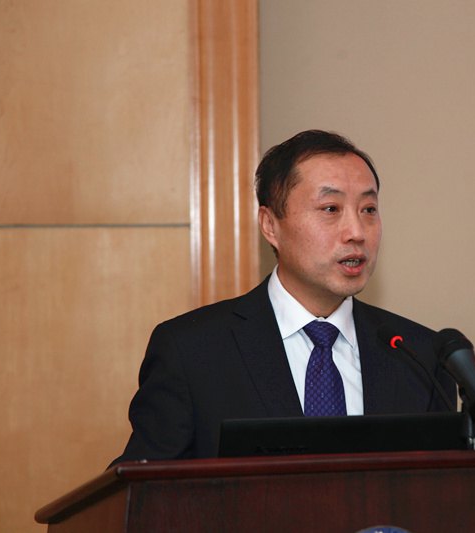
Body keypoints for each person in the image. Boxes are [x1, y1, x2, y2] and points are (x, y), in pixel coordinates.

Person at [111, 130, 456, 466]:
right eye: (331, 208)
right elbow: (142, 490)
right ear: (270, 225)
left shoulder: (421, 358)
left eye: (368, 209)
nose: (356, 232)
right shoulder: (192, 352)